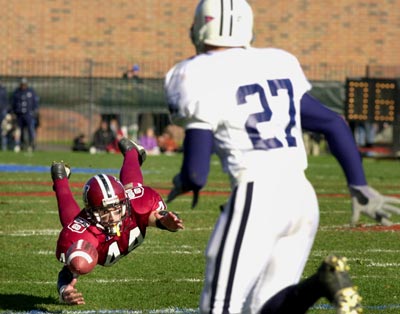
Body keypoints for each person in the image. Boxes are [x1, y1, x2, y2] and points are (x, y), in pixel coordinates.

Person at [164, 1, 400, 313]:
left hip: (257, 196)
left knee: (219, 307)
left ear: (199, 27)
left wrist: (183, 181)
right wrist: (359, 185)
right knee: (263, 307)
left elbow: (197, 173)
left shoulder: (193, 72)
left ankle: (322, 282)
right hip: (302, 198)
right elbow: (333, 122)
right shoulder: (278, 61)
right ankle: (321, 282)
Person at [51, 137, 184, 305]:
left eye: (116, 208)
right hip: (93, 238)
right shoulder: (86, 232)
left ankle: (131, 152)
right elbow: (69, 272)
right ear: (91, 211)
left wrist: (166, 223)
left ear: (124, 203)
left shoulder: (134, 204)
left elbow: (154, 216)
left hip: (125, 202)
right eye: (104, 211)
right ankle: (60, 179)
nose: (113, 216)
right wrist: (65, 290)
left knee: (132, 188)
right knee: (73, 227)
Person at [11, 77, 39, 152]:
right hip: (19, 114)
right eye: (22, 84)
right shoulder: (17, 92)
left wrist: (34, 112)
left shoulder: (31, 92)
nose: (23, 86)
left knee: (30, 130)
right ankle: (20, 145)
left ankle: (31, 145)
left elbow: (35, 103)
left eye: (24, 84)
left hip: (28, 114)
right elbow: (13, 103)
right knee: (19, 131)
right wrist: (13, 112)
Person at [0, 80, 9, 151]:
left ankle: (4, 146)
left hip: (2, 112)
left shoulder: (3, 90)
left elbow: (6, 101)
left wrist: (5, 111)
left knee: (3, 130)